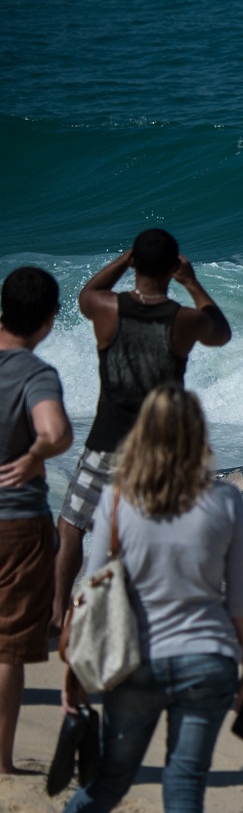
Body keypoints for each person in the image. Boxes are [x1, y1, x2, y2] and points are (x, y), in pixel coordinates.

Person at [23, 384, 243, 813]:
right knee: (185, 790)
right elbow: (241, 599)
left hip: (137, 663)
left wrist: (76, 670)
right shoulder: (225, 501)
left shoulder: (118, 499)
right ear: (197, 436)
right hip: (209, 662)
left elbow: (93, 588)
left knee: (105, 782)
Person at [53, 229, 232, 633]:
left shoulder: (106, 308)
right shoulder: (184, 321)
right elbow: (221, 333)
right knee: (147, 531)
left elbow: (85, 294)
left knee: (71, 526)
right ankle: (138, 616)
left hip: (105, 442)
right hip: (159, 449)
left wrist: (124, 259)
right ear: (173, 267)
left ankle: (58, 611)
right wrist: (191, 281)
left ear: (133, 263)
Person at [0, 267, 73, 773]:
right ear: (49, 322)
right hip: (16, 523)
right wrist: (36, 454)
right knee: (7, 650)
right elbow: (55, 430)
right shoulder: (35, 373)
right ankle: (1, 763)